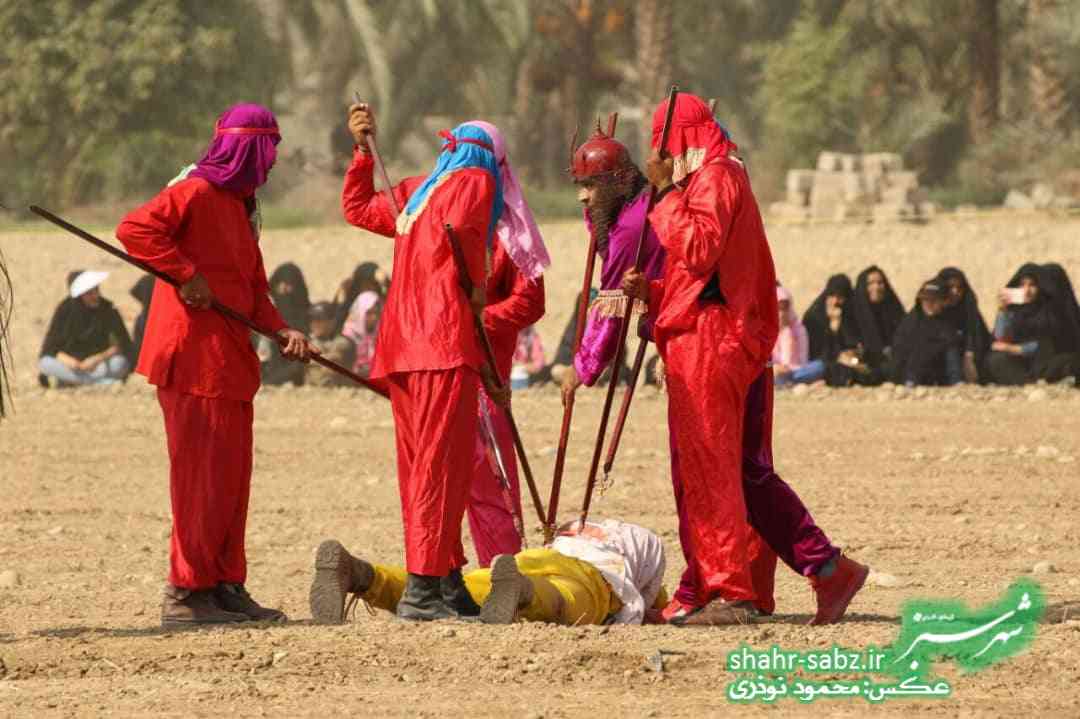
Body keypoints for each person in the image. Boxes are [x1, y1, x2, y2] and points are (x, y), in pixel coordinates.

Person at [116, 103, 315, 627]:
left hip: (230, 363)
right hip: (192, 360)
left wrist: (283, 330)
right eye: (268, 152)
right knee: (199, 482)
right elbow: (134, 229)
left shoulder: (241, 206)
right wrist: (184, 273)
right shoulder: (196, 191)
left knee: (230, 481)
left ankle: (225, 586)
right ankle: (186, 594)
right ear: (249, 149)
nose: (272, 165)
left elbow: (253, 289)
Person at [620, 93, 782, 625]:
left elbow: (699, 248)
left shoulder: (714, 178)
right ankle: (742, 589)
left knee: (710, 470)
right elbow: (707, 276)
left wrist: (664, 193)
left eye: (662, 147)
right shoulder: (724, 178)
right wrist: (657, 291)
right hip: (714, 332)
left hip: (711, 343)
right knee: (726, 469)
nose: (658, 158)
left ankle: (730, 591)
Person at [341, 105, 502, 620]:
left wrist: (363, 153)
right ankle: (423, 588)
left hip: (403, 347)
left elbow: (358, 208)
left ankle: (448, 581)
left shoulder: (418, 190)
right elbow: (467, 234)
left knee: (426, 468)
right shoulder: (475, 179)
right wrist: (477, 285)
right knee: (441, 468)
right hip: (442, 343)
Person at [456, 120, 548, 570]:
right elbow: (362, 210)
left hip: (486, 370)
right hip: (434, 364)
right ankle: (437, 575)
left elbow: (531, 301)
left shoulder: (511, 233)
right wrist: (362, 156)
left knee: (490, 477)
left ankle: (502, 570)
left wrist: (478, 320)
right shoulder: (436, 213)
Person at [309, 518, 666, 626]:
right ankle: (523, 593)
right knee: (562, 601)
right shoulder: (642, 547)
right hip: (592, 580)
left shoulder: (579, 528)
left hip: (535, 556)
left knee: (461, 590)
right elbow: (653, 601)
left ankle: (360, 574)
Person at [560, 121, 666, 405]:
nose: (583, 196)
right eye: (580, 185)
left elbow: (612, 310)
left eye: (591, 185)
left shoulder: (633, 228)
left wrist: (582, 367)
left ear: (618, 183)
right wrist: (597, 217)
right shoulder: (629, 208)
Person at [986, 263, 1079, 385]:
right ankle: (1030, 383)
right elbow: (999, 338)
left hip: (1047, 360)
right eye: (1023, 285)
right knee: (995, 360)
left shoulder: (1049, 310)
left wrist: (1016, 349)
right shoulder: (1014, 310)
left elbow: (1049, 343)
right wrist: (1003, 311)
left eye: (1032, 285)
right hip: (1023, 363)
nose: (1027, 290)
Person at [38, 270, 132, 387]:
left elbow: (122, 344)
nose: (95, 296)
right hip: (71, 365)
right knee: (45, 363)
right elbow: (50, 348)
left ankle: (75, 382)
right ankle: (99, 384)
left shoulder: (108, 309)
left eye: (96, 290)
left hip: (98, 364)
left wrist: (97, 359)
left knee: (120, 363)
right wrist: (68, 361)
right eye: (89, 293)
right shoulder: (65, 309)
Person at [889, 281, 964, 386]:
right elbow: (899, 354)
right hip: (911, 377)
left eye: (934, 300)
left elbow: (951, 354)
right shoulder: (911, 322)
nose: (929, 303)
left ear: (944, 302)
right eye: (925, 300)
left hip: (940, 377)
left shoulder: (947, 323)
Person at [798, 274, 865, 386]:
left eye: (840, 297)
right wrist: (832, 329)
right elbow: (814, 351)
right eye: (831, 296)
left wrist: (853, 353)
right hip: (820, 362)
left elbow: (856, 343)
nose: (835, 301)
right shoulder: (814, 316)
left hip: (849, 361)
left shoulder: (851, 315)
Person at [849, 265, 905, 384]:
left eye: (880, 283)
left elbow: (904, 336)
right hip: (861, 363)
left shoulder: (893, 308)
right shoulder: (853, 312)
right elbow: (850, 348)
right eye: (870, 283)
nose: (876, 287)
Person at [260, 262, 311, 386]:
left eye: (289, 284)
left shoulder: (306, 313)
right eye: (281, 283)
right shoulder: (264, 310)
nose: (285, 289)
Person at [305, 301, 356, 387]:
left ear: (332, 321)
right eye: (312, 319)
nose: (315, 324)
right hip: (311, 394)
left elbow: (334, 359)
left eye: (319, 319)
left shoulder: (343, 342)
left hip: (340, 394)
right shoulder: (309, 342)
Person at [333, 261, 388, 334]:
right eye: (363, 285)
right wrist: (342, 292)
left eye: (371, 284)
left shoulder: (384, 302)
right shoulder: (350, 305)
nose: (367, 288)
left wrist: (387, 283)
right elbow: (334, 325)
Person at [771, 284, 809, 384]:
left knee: (818, 367)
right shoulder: (764, 331)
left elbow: (803, 361)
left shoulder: (799, 329)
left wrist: (786, 332)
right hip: (772, 371)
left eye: (785, 308)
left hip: (795, 371)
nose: (782, 313)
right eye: (778, 308)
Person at [341, 290, 381, 378]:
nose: (374, 318)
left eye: (376, 313)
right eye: (369, 313)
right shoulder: (349, 334)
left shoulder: (380, 332)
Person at [129, 274, 155, 366]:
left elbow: (133, 292)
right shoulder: (164, 282)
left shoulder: (146, 279)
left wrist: (145, 302)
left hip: (146, 316)